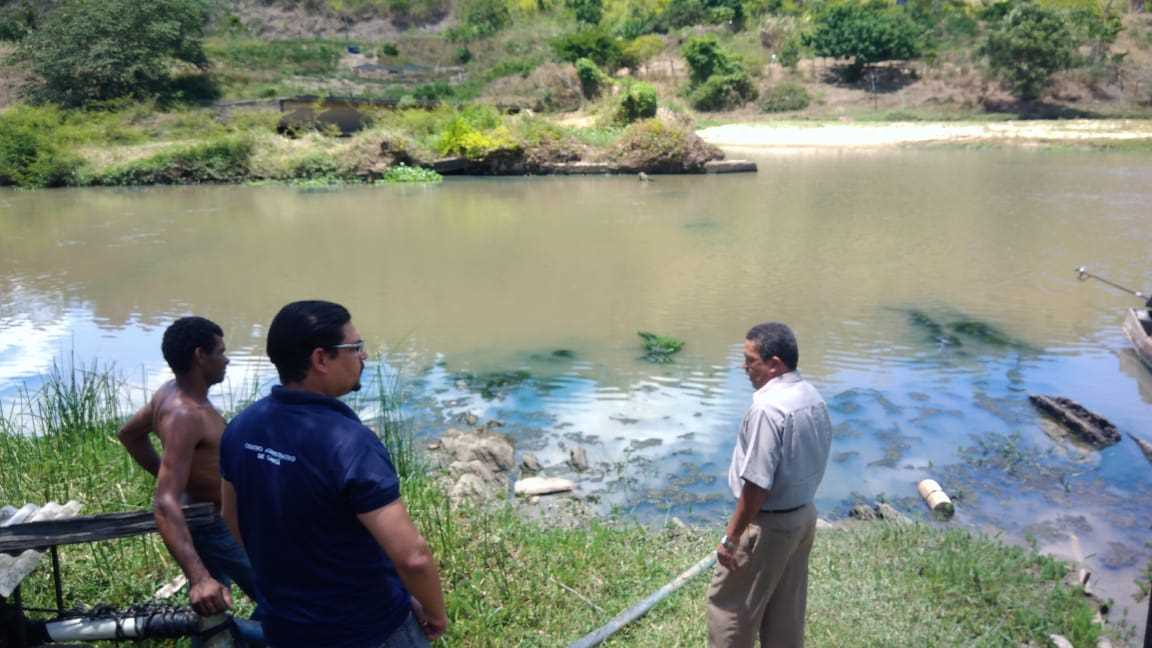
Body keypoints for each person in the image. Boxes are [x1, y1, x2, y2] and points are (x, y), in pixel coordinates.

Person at [220, 300, 447, 648]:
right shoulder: (350, 444)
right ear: (321, 359)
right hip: (368, 629)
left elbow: (233, 520)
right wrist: (435, 613)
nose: (364, 356)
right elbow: (412, 556)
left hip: (287, 626)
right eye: (355, 347)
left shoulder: (241, 428)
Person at [117, 316, 265, 642]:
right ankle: (237, 633)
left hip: (212, 519)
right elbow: (164, 501)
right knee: (284, 601)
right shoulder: (187, 414)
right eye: (221, 352)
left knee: (215, 609)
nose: (226, 360)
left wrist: (176, 476)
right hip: (212, 525)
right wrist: (197, 578)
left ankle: (217, 633)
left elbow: (129, 435)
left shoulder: (168, 393)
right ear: (200, 355)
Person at [707, 322, 833, 648]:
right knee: (785, 612)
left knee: (730, 610)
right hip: (803, 518)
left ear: (774, 363)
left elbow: (757, 486)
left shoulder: (767, 408)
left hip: (767, 527)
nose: (744, 368)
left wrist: (732, 536)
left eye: (750, 360)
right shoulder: (811, 396)